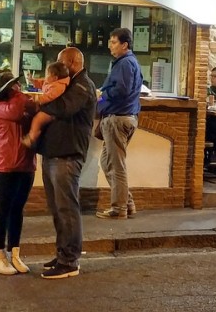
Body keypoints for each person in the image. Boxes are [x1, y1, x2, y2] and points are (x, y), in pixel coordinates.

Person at [35, 47, 97, 279]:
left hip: (67, 154)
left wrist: (39, 103)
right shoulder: (68, 83)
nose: (58, 66)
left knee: (66, 208)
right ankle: (62, 253)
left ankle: (69, 260)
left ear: (72, 62)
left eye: (61, 62)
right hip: (54, 152)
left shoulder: (82, 86)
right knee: (57, 208)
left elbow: (63, 107)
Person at [0, 71, 38, 275]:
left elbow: (36, 109)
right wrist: (21, 95)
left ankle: (14, 253)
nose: (19, 87)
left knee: (17, 210)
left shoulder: (19, 103)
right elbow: (17, 112)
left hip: (26, 165)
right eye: (15, 85)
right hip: (6, 166)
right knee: (3, 209)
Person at [95, 28, 143, 220]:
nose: (110, 45)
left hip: (118, 118)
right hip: (123, 117)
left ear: (125, 45)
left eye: (114, 42)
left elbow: (121, 90)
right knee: (107, 162)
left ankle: (119, 208)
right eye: (110, 41)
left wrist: (101, 95)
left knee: (116, 165)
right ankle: (127, 203)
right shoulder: (128, 62)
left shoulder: (124, 63)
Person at [20, 60, 70, 148]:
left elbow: (49, 96)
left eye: (47, 74)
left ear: (55, 77)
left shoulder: (58, 86)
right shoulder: (52, 82)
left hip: (51, 112)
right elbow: (42, 83)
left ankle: (32, 137)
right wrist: (33, 81)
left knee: (37, 119)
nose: (45, 76)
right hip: (47, 108)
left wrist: (38, 99)